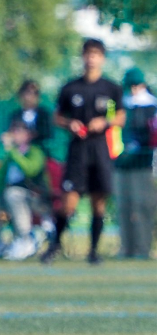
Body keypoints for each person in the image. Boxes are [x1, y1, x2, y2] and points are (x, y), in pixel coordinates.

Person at [47, 38, 125, 266]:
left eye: (96, 54)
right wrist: (69, 123)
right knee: (68, 201)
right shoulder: (71, 88)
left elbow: (120, 116)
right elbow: (57, 116)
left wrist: (104, 122)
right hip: (77, 149)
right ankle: (55, 245)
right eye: (88, 54)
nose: (91, 58)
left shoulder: (111, 88)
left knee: (98, 201)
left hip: (100, 149)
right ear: (82, 57)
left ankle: (93, 251)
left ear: (102, 58)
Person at [0, 121, 50, 260]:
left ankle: (25, 238)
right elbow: (0, 180)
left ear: (29, 135)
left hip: (36, 198)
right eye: (13, 131)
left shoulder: (36, 152)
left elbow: (30, 170)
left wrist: (12, 151)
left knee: (13, 194)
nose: (15, 134)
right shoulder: (10, 154)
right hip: (12, 197)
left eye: (19, 131)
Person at [116, 67, 156, 258]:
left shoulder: (151, 106)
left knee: (143, 206)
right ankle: (126, 247)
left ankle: (143, 248)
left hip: (143, 164)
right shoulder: (120, 106)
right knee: (123, 206)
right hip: (121, 164)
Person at [6, 80, 54, 155]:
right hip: (19, 154)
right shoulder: (15, 115)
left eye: (35, 93)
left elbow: (47, 133)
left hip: (39, 153)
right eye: (28, 92)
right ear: (21, 95)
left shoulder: (43, 114)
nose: (31, 96)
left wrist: (27, 136)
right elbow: (10, 132)